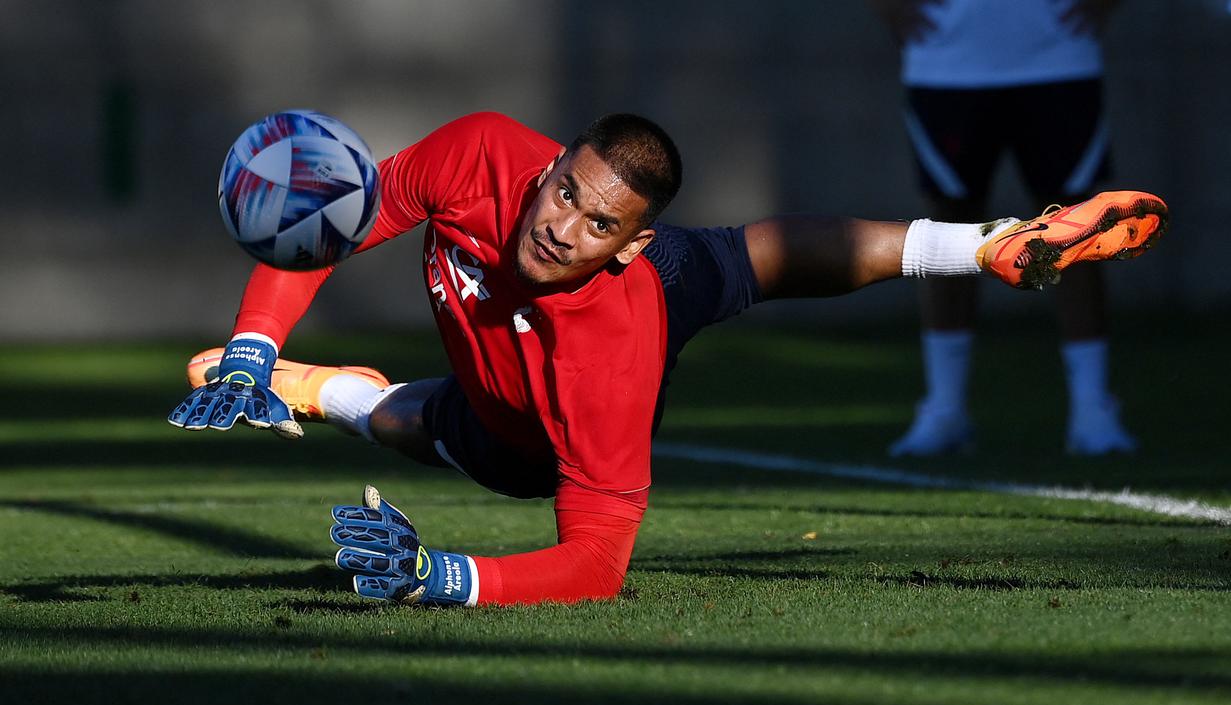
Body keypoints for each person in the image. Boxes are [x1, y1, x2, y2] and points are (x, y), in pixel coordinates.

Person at [168, 111, 1166, 606]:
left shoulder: (610, 359)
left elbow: (597, 565)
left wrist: (444, 575)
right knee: (755, 253)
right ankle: (982, 244)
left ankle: (335, 395)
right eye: (564, 192)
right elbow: (328, 225)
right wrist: (254, 346)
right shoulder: (478, 157)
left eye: (595, 223)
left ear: (627, 242)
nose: (560, 226)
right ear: (548, 166)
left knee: (412, 424)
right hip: (542, 335)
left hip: (543, 413)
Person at [869, 0, 1134, 456]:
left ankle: (1093, 410)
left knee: (1077, 228)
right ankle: (944, 409)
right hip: (947, 61)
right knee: (947, 225)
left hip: (1057, 56)